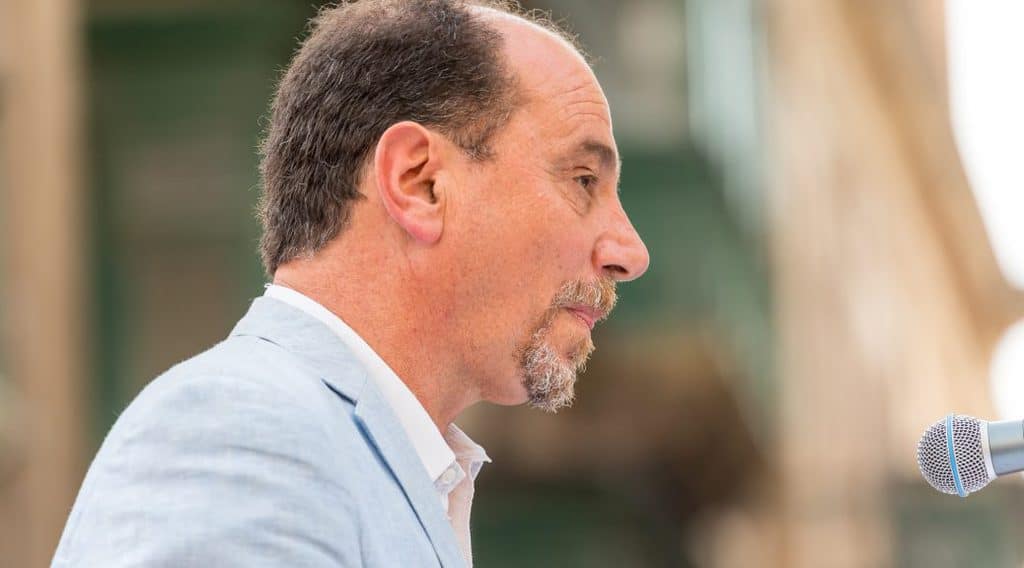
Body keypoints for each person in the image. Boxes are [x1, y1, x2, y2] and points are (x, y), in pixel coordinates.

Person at [52, 0, 649, 566]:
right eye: (583, 181)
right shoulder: (240, 435)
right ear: (419, 183)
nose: (630, 252)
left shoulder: (348, 455)